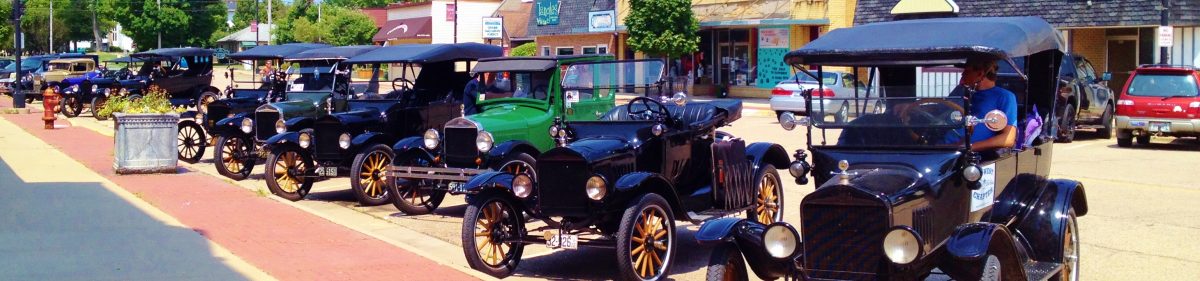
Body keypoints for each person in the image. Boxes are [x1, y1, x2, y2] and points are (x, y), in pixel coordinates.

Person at [948, 57, 1018, 151]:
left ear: (980, 74)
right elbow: (940, 108)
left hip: (970, 156)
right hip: (938, 146)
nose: (962, 74)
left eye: (967, 71)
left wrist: (969, 147)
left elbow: (1008, 139)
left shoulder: (1004, 96)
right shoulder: (959, 91)